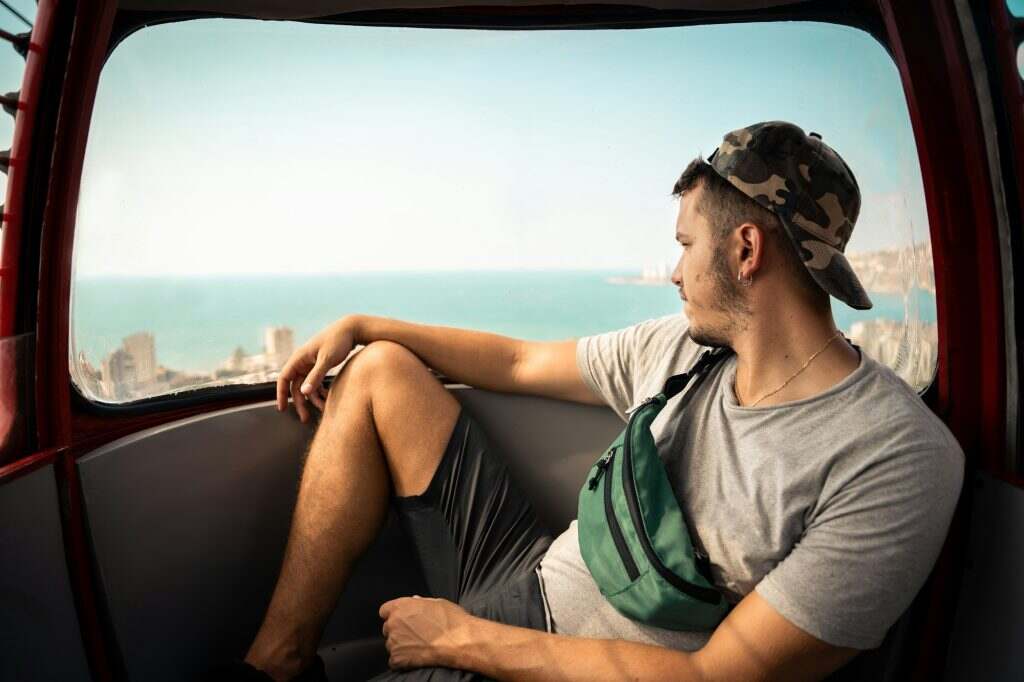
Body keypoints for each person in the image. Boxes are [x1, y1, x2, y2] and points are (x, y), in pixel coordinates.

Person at [208, 121, 965, 681]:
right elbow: (517, 358)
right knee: (380, 372)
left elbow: (716, 678)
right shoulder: (684, 351)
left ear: (744, 250)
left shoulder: (892, 458)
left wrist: (457, 641)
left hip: (581, 664)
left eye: (684, 245)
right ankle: (277, 660)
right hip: (534, 573)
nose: (673, 272)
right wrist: (364, 324)